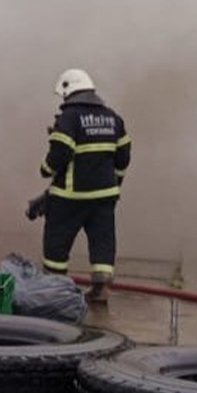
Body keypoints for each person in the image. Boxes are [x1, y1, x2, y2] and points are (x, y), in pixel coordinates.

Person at [37, 68, 131, 304]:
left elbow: (60, 152)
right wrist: (115, 183)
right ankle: (101, 289)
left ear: (68, 91)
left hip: (71, 196)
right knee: (103, 241)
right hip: (105, 196)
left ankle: (55, 289)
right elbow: (123, 157)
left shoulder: (69, 118)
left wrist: (45, 169)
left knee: (57, 241)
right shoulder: (113, 118)